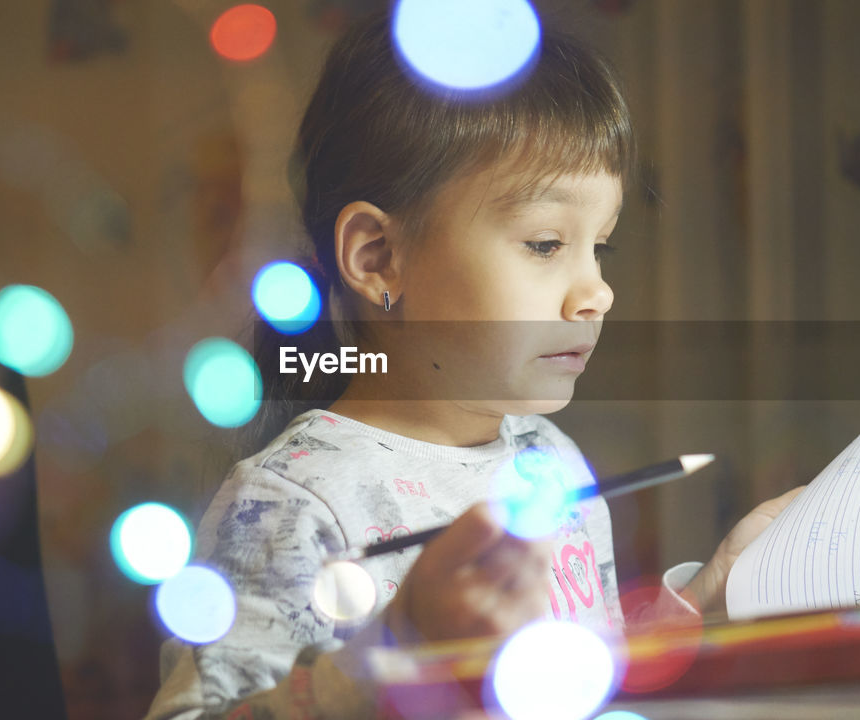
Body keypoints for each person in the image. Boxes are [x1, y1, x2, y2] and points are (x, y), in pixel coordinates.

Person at [146, 10, 800, 720]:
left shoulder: (549, 460)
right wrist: (400, 648)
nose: (598, 293)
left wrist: (705, 604)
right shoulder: (296, 504)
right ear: (378, 258)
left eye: (600, 247)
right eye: (547, 244)